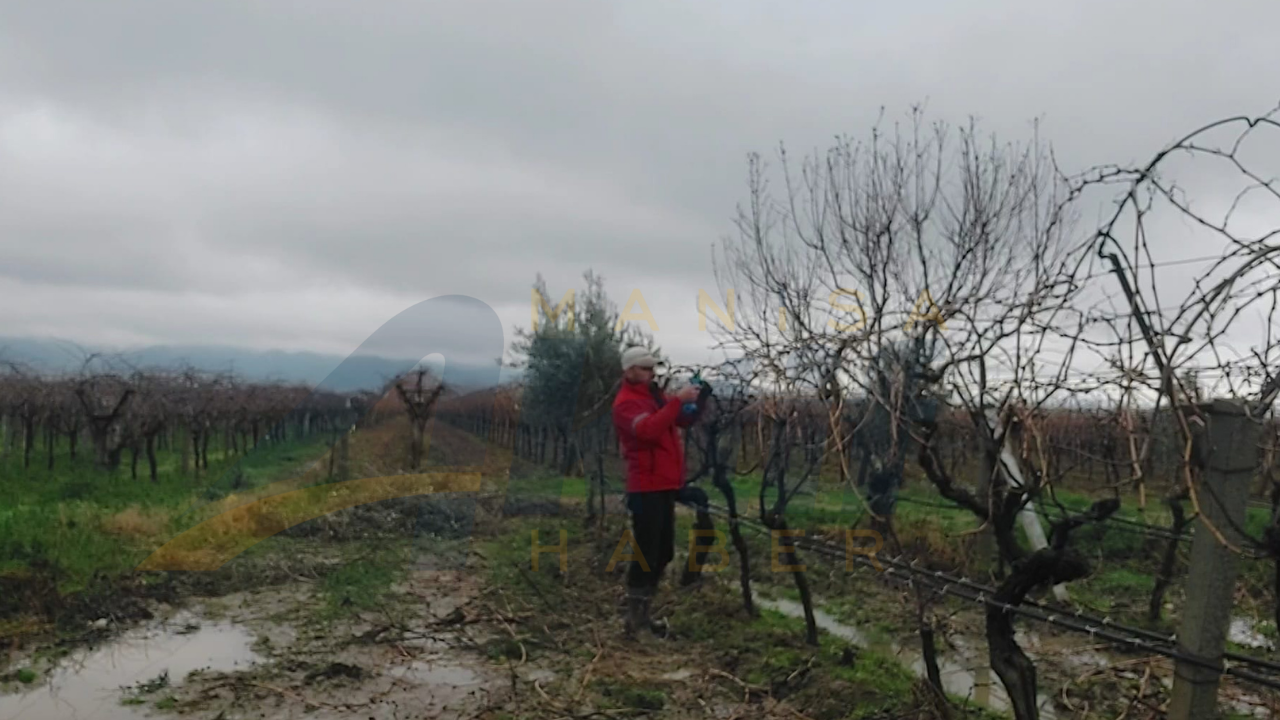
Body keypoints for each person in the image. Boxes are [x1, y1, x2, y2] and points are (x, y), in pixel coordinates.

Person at [611, 346, 706, 638]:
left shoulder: (653, 397)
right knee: (646, 553)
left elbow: (681, 420)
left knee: (663, 552)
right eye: (645, 368)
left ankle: (644, 615)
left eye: (653, 368)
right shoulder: (626, 404)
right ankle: (633, 621)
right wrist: (677, 402)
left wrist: (698, 400)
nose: (652, 373)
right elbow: (650, 430)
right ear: (629, 371)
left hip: (664, 484)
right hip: (646, 486)